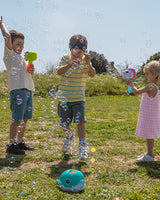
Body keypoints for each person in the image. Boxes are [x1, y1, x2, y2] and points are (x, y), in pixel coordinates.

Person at [56, 34, 95, 160]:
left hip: (78, 98)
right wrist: (69, 65)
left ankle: (82, 146)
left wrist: (88, 64)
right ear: (70, 48)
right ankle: (69, 137)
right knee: (64, 122)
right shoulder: (65, 58)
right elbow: (58, 71)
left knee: (80, 122)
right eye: (76, 52)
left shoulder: (85, 60)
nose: (78, 55)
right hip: (64, 98)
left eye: (81, 52)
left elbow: (92, 74)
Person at [0, 16, 35, 155]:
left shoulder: (23, 59)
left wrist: (32, 70)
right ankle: (11, 144)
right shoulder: (10, 56)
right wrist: (1, 24)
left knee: (24, 119)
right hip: (18, 91)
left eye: (22, 44)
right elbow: (7, 36)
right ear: (11, 44)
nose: (21, 46)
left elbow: (28, 75)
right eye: (18, 43)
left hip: (27, 90)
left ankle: (19, 142)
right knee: (17, 119)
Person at [126, 60, 160, 162]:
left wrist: (131, 84)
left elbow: (136, 92)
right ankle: (149, 153)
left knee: (149, 135)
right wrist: (130, 86)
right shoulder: (152, 86)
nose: (145, 76)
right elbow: (139, 93)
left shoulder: (151, 86)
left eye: (147, 73)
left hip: (150, 115)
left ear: (155, 75)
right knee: (149, 135)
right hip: (149, 114)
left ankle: (150, 155)